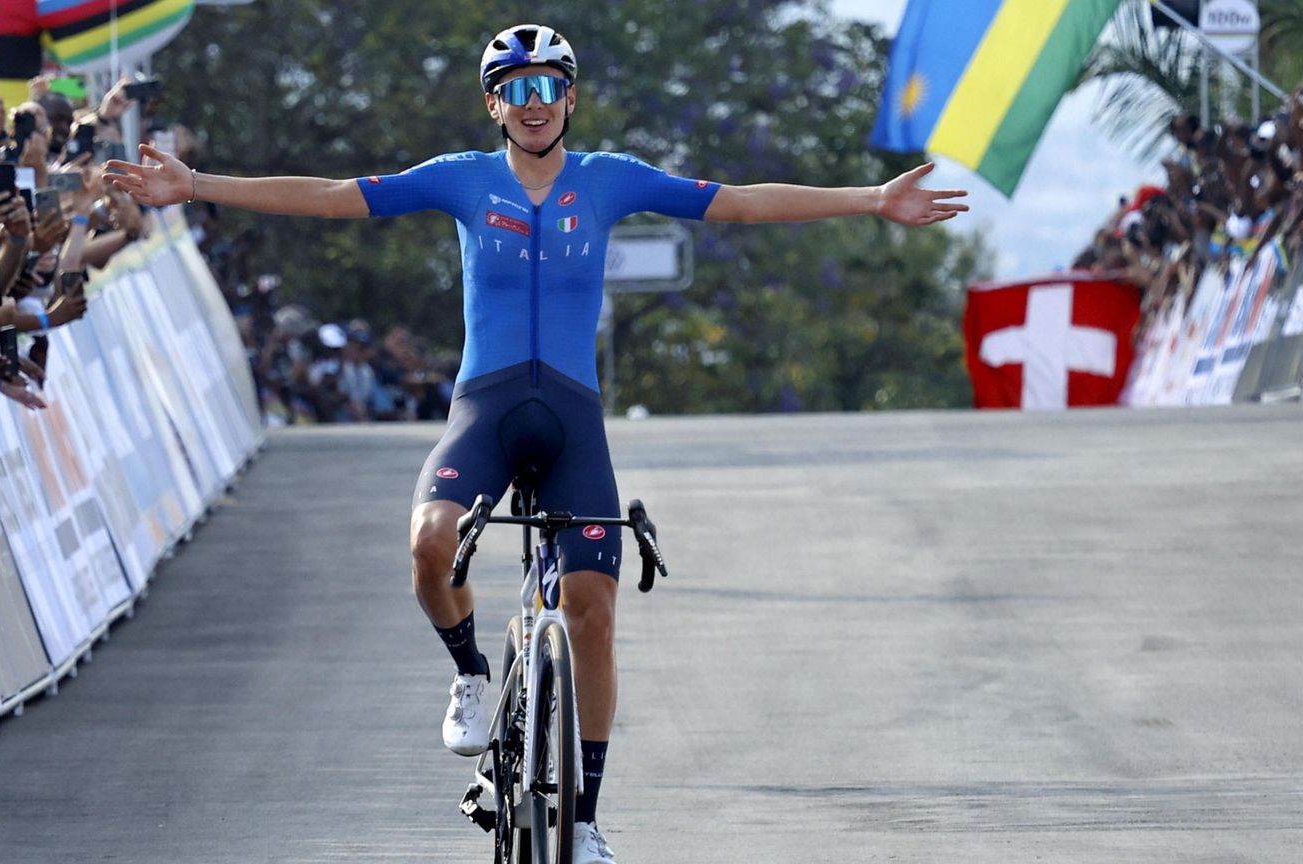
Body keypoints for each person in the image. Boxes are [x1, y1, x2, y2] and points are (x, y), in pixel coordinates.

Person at [106, 22, 966, 862]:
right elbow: (336, 196)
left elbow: (735, 204)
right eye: (515, 90)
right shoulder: (461, 180)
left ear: (570, 97)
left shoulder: (609, 180)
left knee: (593, 609)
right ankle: (473, 674)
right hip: (484, 409)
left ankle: (584, 819)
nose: (533, 103)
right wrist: (197, 185)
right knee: (430, 546)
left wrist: (873, 199)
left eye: (547, 86)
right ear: (494, 106)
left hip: (571, 420)